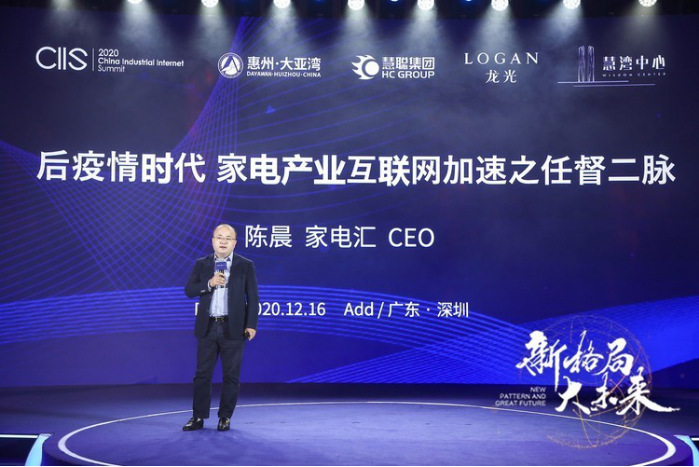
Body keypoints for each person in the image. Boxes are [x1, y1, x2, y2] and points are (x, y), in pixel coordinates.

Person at [182, 224, 259, 432]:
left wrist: (251, 324)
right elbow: (189, 290)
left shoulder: (245, 265)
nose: (223, 241)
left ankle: (225, 416)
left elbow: (253, 297)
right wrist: (209, 283)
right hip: (207, 327)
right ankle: (198, 417)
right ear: (213, 241)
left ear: (235, 243)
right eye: (219, 237)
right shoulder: (202, 264)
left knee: (231, 376)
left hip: (233, 328)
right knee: (202, 375)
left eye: (228, 238)